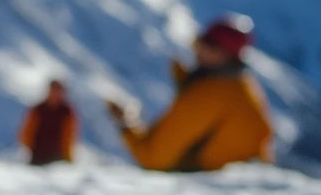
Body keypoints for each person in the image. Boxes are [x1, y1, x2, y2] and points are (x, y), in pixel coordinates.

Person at [107, 15, 274, 172]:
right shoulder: (240, 84)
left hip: (211, 184)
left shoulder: (208, 94)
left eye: (208, 44)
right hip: (244, 174)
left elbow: (152, 158)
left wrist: (126, 124)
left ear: (223, 54)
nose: (198, 48)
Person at [19, 80, 78, 166]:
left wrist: (68, 157)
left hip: (58, 158)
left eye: (58, 90)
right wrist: (30, 148)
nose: (56, 93)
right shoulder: (38, 110)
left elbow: (69, 135)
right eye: (54, 90)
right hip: (38, 156)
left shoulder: (67, 112)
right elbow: (27, 132)